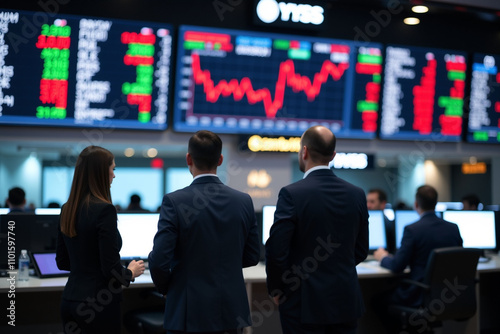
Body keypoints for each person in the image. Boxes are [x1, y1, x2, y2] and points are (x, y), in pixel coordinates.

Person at [148, 130, 260, 334]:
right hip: (230, 313)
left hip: (188, 311)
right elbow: (252, 256)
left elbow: (158, 262)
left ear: (188, 158)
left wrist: (168, 289)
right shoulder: (243, 201)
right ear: (220, 160)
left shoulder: (174, 201)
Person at [265, 125, 369, 334]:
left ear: (304, 152)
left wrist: (277, 288)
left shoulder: (291, 194)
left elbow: (277, 250)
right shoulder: (357, 194)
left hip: (303, 305)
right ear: (333, 155)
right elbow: (361, 249)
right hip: (345, 302)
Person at [56, 146, 145, 334]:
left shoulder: (67, 209)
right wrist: (130, 272)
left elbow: (62, 262)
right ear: (100, 172)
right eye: (112, 169)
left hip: (70, 301)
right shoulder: (105, 210)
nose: (114, 175)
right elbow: (110, 269)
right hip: (98, 304)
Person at [373, 185, 463, 333]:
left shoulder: (412, 229)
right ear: (435, 203)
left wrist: (382, 257)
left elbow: (397, 266)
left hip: (419, 294)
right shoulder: (453, 228)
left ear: (416, 204)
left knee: (377, 301)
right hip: (447, 293)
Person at [367, 188, 396, 254]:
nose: (368, 205)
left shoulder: (390, 225)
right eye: (367, 201)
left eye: (372, 202)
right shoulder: (362, 222)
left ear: (383, 204)